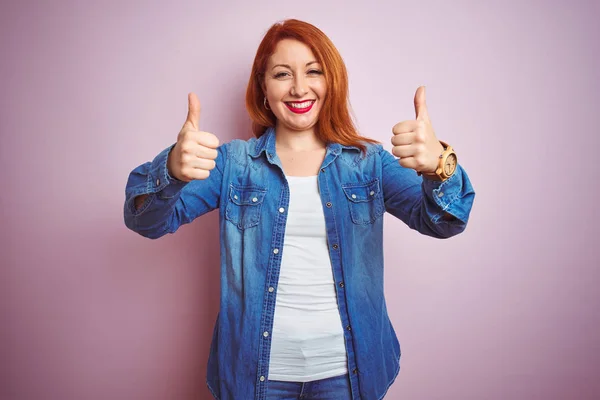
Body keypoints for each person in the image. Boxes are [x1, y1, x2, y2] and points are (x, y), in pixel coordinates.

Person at [123, 18, 475, 400]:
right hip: (255, 376)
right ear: (263, 88)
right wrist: (171, 171)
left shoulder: (367, 163)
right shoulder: (233, 163)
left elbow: (445, 222)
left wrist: (441, 164)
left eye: (313, 71)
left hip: (348, 374)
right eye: (281, 74)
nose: (299, 88)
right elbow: (147, 221)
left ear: (331, 81)